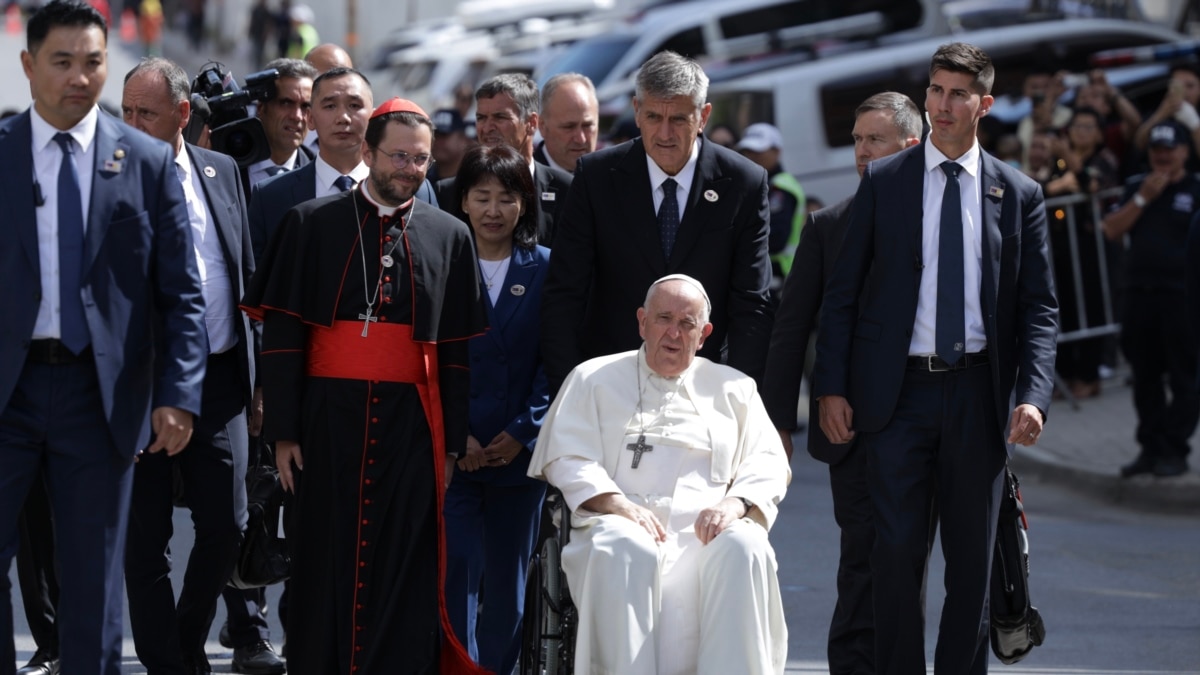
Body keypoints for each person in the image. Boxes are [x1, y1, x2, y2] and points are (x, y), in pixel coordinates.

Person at [812, 42, 1058, 674]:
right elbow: (843, 294)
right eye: (936, 90)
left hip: (978, 397)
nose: (943, 105)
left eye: (957, 94)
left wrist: (1032, 395)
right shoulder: (889, 181)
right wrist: (831, 387)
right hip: (897, 399)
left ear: (985, 105)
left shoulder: (1019, 193)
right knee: (894, 560)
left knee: (973, 568)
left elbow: (1039, 309)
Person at [240, 97, 487, 675]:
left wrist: (448, 446)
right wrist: (283, 432)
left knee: (402, 563)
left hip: (410, 427)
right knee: (323, 559)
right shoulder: (310, 223)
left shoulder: (449, 234)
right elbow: (282, 338)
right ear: (369, 152)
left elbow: (453, 354)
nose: (409, 168)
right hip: (327, 421)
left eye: (421, 159)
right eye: (399, 155)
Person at [0, 2, 208, 674]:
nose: (81, 78)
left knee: (93, 578)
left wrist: (178, 394)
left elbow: (182, 292)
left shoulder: (145, 162)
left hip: (101, 395)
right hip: (8, 390)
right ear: (29, 66)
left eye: (93, 62)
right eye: (62, 62)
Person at [528, 274, 790, 675]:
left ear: (704, 335)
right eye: (663, 318)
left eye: (687, 324)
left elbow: (768, 461)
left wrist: (735, 505)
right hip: (618, 524)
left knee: (745, 548)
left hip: (709, 533)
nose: (674, 332)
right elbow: (567, 457)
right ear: (641, 322)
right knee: (625, 547)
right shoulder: (592, 378)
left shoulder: (735, 388)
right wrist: (616, 505)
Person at [762, 91, 922, 675]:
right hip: (850, 427)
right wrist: (778, 421)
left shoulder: (941, 226)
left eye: (873, 140)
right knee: (862, 557)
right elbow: (791, 328)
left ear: (911, 146)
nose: (860, 152)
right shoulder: (828, 226)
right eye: (856, 139)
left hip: (926, 422)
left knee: (907, 562)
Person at [120, 56, 257, 675]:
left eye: (144, 113)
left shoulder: (222, 170)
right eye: (123, 111)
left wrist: (261, 386)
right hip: (140, 390)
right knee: (144, 542)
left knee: (227, 525)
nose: (129, 123)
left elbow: (242, 270)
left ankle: (182, 640)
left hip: (222, 380)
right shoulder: (107, 179)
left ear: (182, 115)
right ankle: (169, 665)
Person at [540, 50, 774, 395]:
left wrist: (738, 395)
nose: (665, 133)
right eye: (653, 117)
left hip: (705, 386)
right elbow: (564, 294)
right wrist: (570, 390)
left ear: (703, 116)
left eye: (678, 119)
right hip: (610, 383)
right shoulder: (596, 179)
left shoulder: (744, 183)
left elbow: (751, 303)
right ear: (636, 112)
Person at [443, 144, 550, 675]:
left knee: (508, 582)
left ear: (524, 205)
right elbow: (430, 356)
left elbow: (556, 362)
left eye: (506, 198)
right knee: (457, 570)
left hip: (517, 455)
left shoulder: (546, 268)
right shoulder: (441, 260)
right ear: (461, 201)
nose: (492, 210)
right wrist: (455, 436)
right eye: (480, 196)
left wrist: (523, 431)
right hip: (455, 455)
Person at [1103, 120, 1200, 478]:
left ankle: (1175, 448)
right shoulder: (1136, 186)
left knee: (1184, 378)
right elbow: (1111, 229)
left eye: (1169, 149)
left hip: (1182, 299)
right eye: (1157, 150)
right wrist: (1145, 197)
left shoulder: (1195, 188)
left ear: (1184, 152)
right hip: (1139, 296)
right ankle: (1151, 447)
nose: (1162, 156)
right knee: (1144, 376)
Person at [436, 73, 572, 245]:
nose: (487, 128)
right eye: (481, 118)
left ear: (531, 123)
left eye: (500, 117)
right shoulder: (448, 192)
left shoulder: (567, 189)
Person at [1042, 107, 1121, 400]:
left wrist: (1071, 168)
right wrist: (1060, 181)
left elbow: (1090, 183)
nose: (1080, 132)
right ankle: (1066, 375)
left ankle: (1089, 375)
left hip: (1092, 247)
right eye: (1076, 125)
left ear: (1099, 133)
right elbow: (1044, 188)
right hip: (1062, 247)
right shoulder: (1061, 162)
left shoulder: (1103, 159)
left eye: (1088, 127)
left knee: (1092, 308)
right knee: (1067, 311)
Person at [737, 122, 805, 302]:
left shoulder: (780, 187)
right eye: (748, 151)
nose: (752, 156)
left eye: (759, 151)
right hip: (764, 272)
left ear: (777, 151)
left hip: (780, 274)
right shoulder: (756, 183)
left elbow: (777, 238)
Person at [240, 57, 316, 196]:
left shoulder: (318, 173)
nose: (297, 116)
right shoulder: (228, 168)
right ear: (261, 108)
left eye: (305, 106)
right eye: (286, 103)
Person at [534, 72, 599, 174]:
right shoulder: (524, 183)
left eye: (587, 125)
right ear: (542, 126)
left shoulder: (611, 178)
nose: (580, 139)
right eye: (569, 127)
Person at [301, 42, 353, 154]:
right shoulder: (290, 136)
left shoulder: (364, 140)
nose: (336, 87)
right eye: (325, 78)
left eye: (343, 77)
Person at [428, 107, 473, 184]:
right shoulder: (422, 180)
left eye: (443, 135)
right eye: (434, 135)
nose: (437, 141)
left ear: (463, 139)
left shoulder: (476, 179)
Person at [247, 0, 272, 69]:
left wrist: (266, 34)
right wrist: (250, 31)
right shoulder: (256, 10)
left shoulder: (266, 11)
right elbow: (252, 21)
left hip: (262, 35)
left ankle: (258, 65)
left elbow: (268, 24)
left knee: (260, 51)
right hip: (255, 33)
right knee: (254, 50)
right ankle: (254, 64)